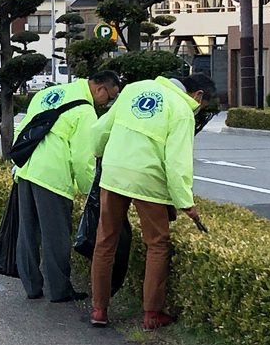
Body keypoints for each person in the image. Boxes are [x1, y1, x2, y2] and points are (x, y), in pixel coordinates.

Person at [89, 74, 216, 330]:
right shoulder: (181, 110)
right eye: (202, 105)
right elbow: (177, 162)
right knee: (157, 245)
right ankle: (152, 314)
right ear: (198, 95)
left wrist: (100, 153)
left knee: (105, 241)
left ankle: (99, 309)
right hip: (148, 179)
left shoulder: (134, 89)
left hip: (114, 173)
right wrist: (186, 202)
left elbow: (100, 130)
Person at [14, 71, 121, 303]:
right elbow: (83, 159)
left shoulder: (49, 92)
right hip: (53, 175)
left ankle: (31, 286)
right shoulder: (85, 110)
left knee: (28, 231)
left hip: (27, 169)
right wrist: (88, 191)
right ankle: (59, 290)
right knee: (56, 236)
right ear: (100, 87)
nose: (108, 102)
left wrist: (18, 163)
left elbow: (20, 128)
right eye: (110, 96)